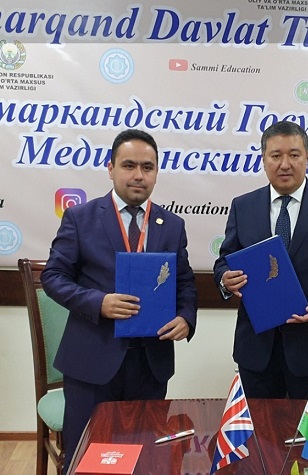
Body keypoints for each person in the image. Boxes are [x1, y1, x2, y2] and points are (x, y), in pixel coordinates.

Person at [41, 129, 198, 472]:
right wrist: (98, 302)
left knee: (145, 459)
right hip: (92, 361)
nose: (139, 175)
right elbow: (52, 277)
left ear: (156, 171)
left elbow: (184, 281)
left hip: (150, 363)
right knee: (88, 459)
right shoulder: (81, 218)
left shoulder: (172, 224)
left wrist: (186, 317)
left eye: (148, 166)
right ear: (110, 168)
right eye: (129, 165)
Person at [213, 120, 308, 401]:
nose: (285, 164)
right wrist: (225, 279)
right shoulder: (243, 206)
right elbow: (224, 261)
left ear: (307, 158)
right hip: (257, 351)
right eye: (275, 156)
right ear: (263, 160)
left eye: (294, 155)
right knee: (260, 440)